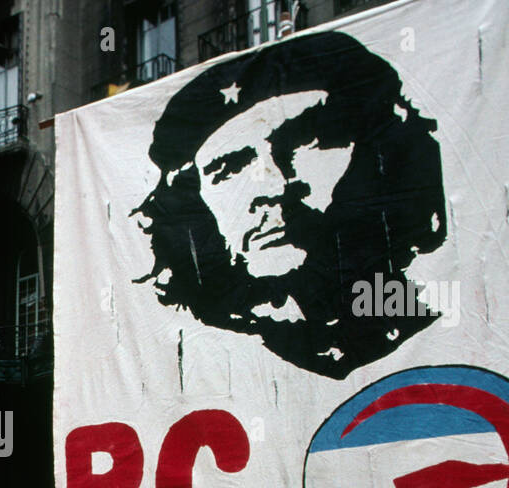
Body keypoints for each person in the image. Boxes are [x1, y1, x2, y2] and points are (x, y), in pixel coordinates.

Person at [136, 32, 447, 380]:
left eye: (301, 144)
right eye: (230, 167)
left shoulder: (417, 318)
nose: (272, 188)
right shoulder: (202, 355)